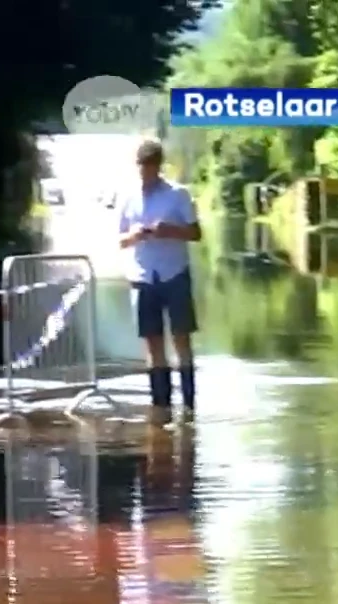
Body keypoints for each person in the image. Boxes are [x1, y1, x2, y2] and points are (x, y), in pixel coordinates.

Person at [117, 136, 202, 421]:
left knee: (181, 339)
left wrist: (169, 230)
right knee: (152, 343)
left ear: (158, 167)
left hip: (174, 273)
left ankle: (189, 406)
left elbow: (195, 233)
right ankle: (161, 407)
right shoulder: (128, 197)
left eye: (150, 169)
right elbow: (120, 240)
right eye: (141, 169)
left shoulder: (178, 194)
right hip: (142, 277)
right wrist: (136, 235)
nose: (145, 175)